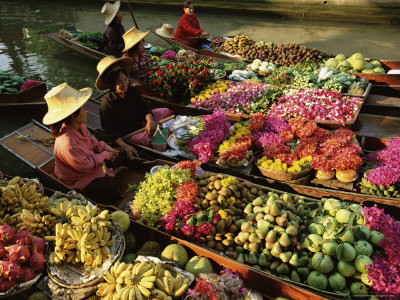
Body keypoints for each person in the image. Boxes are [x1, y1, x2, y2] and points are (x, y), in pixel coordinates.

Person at [43, 83, 125, 204]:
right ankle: (109, 176)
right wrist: (104, 155)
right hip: (78, 177)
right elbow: (85, 167)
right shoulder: (67, 143)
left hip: (92, 161)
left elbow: (93, 142)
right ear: (73, 115)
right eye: (83, 109)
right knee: (112, 191)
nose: (86, 112)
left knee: (121, 153)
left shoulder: (80, 125)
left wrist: (107, 149)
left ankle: (110, 173)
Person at [96, 56, 172, 159]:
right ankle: (162, 144)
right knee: (147, 139)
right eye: (120, 83)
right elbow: (110, 132)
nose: (125, 84)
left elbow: (144, 107)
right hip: (129, 133)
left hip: (141, 122)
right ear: (112, 85)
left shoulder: (132, 90)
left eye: (125, 80)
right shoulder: (107, 104)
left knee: (165, 111)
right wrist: (125, 146)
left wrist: (150, 121)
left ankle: (160, 133)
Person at [121, 27, 151, 92]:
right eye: (141, 45)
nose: (143, 47)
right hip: (135, 87)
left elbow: (149, 69)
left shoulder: (144, 55)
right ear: (134, 47)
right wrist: (139, 83)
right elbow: (125, 77)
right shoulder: (126, 60)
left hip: (147, 83)